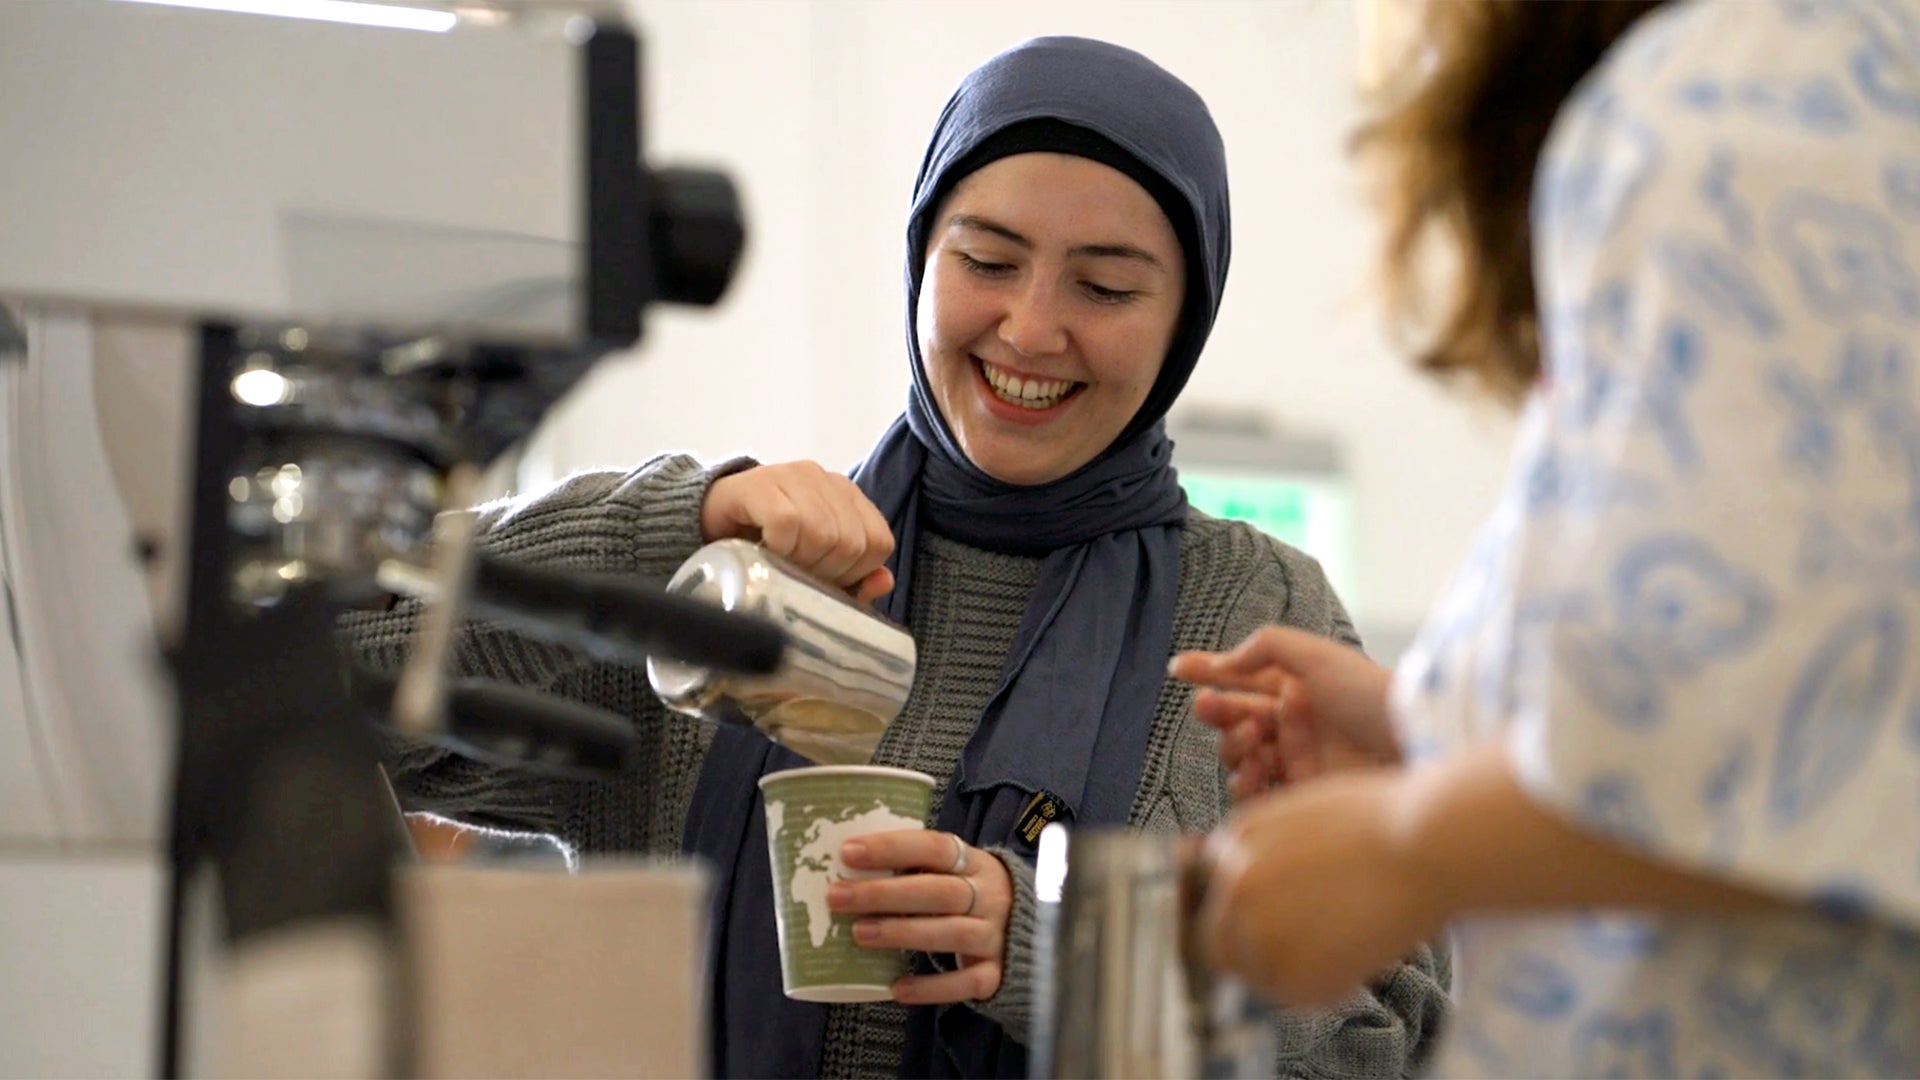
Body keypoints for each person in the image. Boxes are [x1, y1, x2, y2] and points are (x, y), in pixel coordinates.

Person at [346, 35, 1447, 1080]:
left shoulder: (1254, 615)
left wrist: (1060, 947)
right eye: (986, 260)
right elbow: (305, 660)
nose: (1027, 329)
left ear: (1184, 322)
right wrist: (672, 521)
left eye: (1105, 287)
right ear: (921, 256)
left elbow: (1388, 1046)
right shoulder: (735, 579)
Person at [1174, 0, 1920, 1076]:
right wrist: (1429, 725)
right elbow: (1718, 674)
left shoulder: (1729, 108)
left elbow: (1817, 724)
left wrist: (1407, 843)